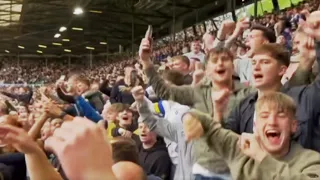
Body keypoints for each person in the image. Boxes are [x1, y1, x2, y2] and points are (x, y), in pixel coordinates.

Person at [183, 92, 320, 179]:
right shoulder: (241, 150)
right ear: (255, 126)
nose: (272, 122)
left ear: (293, 126)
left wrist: (261, 157)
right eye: (264, 116)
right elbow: (209, 126)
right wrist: (190, 118)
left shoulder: (311, 160)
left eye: (281, 115)